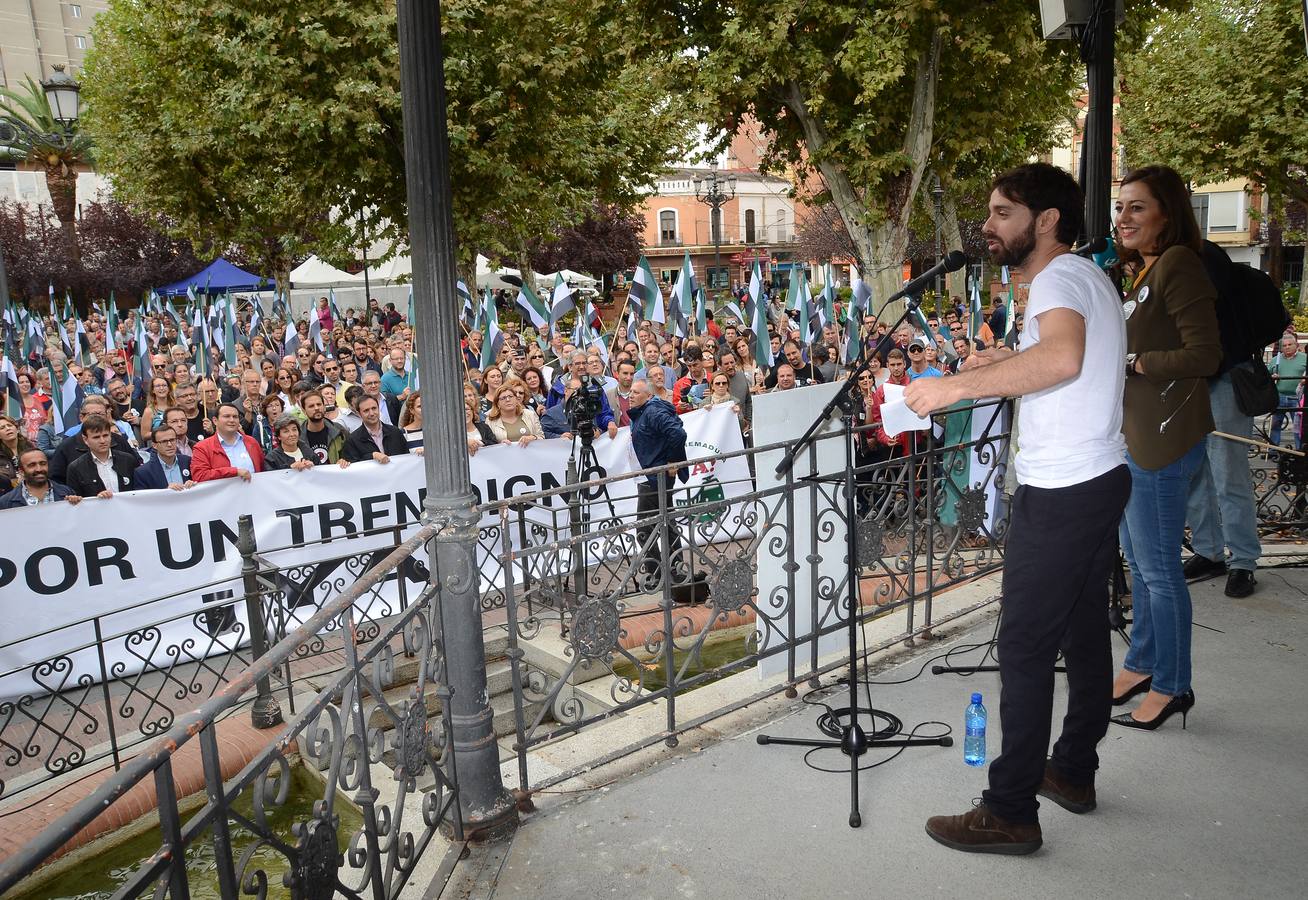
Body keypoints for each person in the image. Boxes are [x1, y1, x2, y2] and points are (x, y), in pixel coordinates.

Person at [907, 163, 1132, 855]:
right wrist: (995, 363)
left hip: (1064, 490)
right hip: (1098, 476)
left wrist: (950, 392)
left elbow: (1062, 361)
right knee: (1085, 634)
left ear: (1047, 220)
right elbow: (1061, 357)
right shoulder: (1087, 276)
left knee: (1026, 648)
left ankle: (1009, 811)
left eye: (1004, 212)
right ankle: (1071, 770)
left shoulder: (1058, 279)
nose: (988, 224)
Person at [1111, 165, 1221, 730]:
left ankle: (1175, 685)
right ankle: (1143, 662)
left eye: (1136, 207)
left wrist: (1135, 362)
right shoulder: (1143, 271)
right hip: (1136, 438)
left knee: (1159, 572)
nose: (1122, 217)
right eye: (1120, 206)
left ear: (1166, 214)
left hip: (1163, 440)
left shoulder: (1179, 265)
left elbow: (1205, 354)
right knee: (1141, 563)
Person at [628, 379, 689, 586]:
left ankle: (660, 574)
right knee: (666, 524)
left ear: (648, 395)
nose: (631, 395)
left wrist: (672, 461)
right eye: (630, 392)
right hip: (650, 476)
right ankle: (676, 570)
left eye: (636, 392)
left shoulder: (652, 411)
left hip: (655, 478)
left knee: (645, 530)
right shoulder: (645, 411)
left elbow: (678, 433)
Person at [65, 415, 142, 498]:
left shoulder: (128, 460)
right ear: (85, 439)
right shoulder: (76, 468)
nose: (102, 441)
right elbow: (77, 500)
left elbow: (139, 492)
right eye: (96, 437)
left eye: (105, 435)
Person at [192, 403, 266, 482]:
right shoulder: (202, 447)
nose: (232, 420)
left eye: (235, 417)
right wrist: (234, 472)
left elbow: (262, 470)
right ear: (215, 420)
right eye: (227, 416)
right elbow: (199, 476)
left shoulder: (252, 442)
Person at [0, 448, 82, 509]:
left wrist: (77, 504)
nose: (39, 469)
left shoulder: (67, 493)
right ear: (21, 471)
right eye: (32, 465)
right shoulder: (6, 502)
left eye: (43, 464)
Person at [341, 394, 409, 464]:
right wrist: (372, 456)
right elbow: (353, 467)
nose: (371, 413)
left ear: (378, 408)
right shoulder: (352, 440)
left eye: (374, 408)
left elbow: (407, 458)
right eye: (366, 410)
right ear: (359, 414)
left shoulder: (395, 432)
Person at [1268, 333, 1304, 450]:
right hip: (1279, 396)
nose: (1287, 347)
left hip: (1298, 397)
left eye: (1290, 344)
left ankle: (1300, 450)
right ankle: (1273, 450)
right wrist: (1272, 377)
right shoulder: (1275, 360)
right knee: (1275, 425)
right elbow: (1265, 377)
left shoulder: (1305, 358)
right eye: (1284, 345)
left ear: (1296, 345)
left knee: (1299, 427)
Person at [133, 424, 194, 491]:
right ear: (154, 445)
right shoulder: (143, 472)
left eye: (172, 440)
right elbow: (142, 498)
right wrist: (165, 491)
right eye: (164, 441)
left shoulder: (188, 461)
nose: (169, 444)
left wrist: (194, 484)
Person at [299, 389, 348, 464]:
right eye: (311, 406)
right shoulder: (297, 436)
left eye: (319, 404)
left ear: (324, 407)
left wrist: (344, 460)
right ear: (304, 411)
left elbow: (351, 454)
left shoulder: (339, 430)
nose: (316, 408)